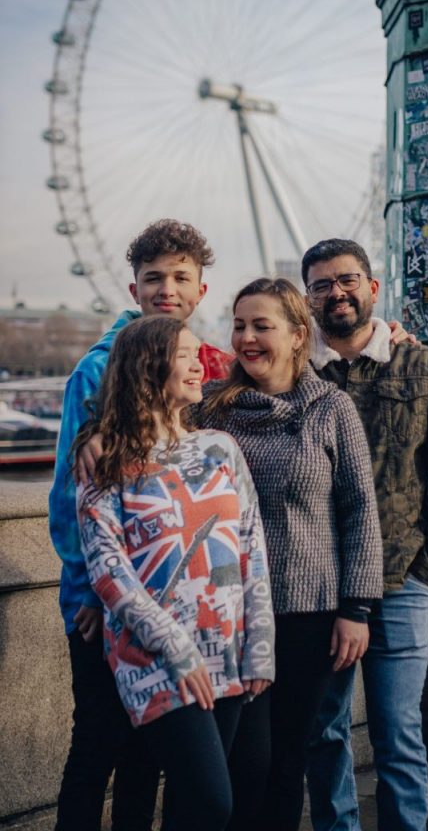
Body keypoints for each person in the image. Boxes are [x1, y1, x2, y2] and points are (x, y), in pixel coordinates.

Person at [49, 219, 231, 831]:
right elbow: (68, 503)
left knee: (148, 758)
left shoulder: (206, 367)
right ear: (134, 290)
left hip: (176, 605)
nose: (167, 290)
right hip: (102, 603)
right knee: (97, 749)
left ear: (202, 290)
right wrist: (96, 594)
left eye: (181, 278)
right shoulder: (96, 372)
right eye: (154, 279)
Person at [196, 277, 384, 831]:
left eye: (262, 326)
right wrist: (92, 437)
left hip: (307, 613)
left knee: (287, 761)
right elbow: (138, 424)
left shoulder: (332, 409)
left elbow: (359, 510)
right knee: (238, 764)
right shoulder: (210, 409)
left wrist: (356, 609)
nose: (246, 338)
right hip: (229, 615)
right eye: (238, 325)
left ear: (299, 335)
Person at [301, 238, 428, 831]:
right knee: (323, 731)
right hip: (319, 583)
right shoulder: (294, 377)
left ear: (373, 288)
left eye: (347, 280)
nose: (336, 293)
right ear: (307, 299)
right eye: (321, 284)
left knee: (398, 732)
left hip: (402, 580)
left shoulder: (421, 365)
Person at [75, 316, 274, 830]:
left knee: (196, 808)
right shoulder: (107, 462)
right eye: (184, 353)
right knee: (211, 802)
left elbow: (251, 549)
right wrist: (177, 650)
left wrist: (260, 646)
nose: (197, 362)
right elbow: (108, 571)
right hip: (156, 657)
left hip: (227, 647)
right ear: (147, 366)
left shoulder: (220, 448)